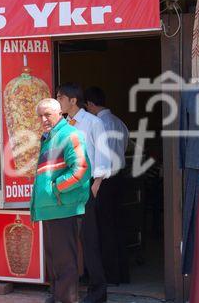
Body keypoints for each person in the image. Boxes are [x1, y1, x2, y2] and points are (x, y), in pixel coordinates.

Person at [31, 98, 91, 303]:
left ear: (60, 113)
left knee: (65, 264)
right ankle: (57, 297)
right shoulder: (49, 137)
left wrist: (57, 188)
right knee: (55, 262)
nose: (43, 119)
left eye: (47, 114)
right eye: (40, 115)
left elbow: (81, 169)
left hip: (63, 207)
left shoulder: (69, 134)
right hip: (52, 208)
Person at [56, 83, 111, 303]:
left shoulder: (93, 123)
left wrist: (96, 184)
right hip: (66, 186)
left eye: (60, 98)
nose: (57, 101)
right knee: (67, 240)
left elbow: (104, 154)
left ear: (73, 101)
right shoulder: (62, 123)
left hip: (86, 186)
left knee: (89, 240)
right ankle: (68, 291)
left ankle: (98, 291)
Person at [84, 86, 130, 284]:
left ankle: (108, 274)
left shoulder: (98, 124)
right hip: (119, 178)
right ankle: (121, 273)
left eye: (86, 106)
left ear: (91, 104)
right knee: (117, 225)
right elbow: (125, 146)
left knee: (102, 228)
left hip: (103, 180)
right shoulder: (119, 122)